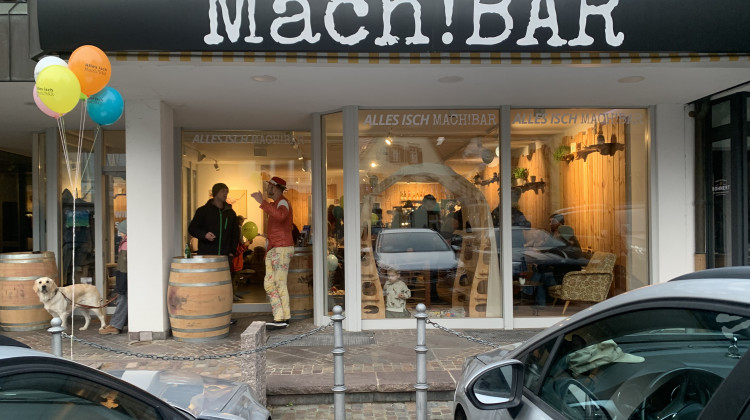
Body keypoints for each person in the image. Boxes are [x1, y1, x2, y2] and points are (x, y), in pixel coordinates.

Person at [251, 176, 294, 330]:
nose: (267, 189)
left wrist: (261, 202)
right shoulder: (278, 203)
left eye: (269, 186)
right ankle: (281, 317)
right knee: (270, 284)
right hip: (275, 248)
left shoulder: (282, 202)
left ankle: (282, 318)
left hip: (281, 248)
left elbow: (281, 216)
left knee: (278, 283)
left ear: (275, 188)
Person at [527, 213, 583, 307]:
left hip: (566, 273)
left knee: (541, 273)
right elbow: (547, 248)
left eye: (552, 222)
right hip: (558, 268)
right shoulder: (554, 235)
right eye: (549, 222)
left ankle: (531, 296)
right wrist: (537, 250)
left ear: (560, 224)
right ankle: (537, 301)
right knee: (540, 270)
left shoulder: (566, 238)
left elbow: (556, 251)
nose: (550, 224)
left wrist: (542, 253)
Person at [188, 183, 239, 258]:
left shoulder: (230, 213)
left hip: (225, 257)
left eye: (227, 192)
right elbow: (192, 229)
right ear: (216, 193)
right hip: (206, 256)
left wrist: (232, 251)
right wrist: (204, 235)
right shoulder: (203, 211)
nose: (225, 194)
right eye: (223, 191)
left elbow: (235, 233)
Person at [100, 220, 128, 335]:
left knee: (122, 300)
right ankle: (119, 323)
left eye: (121, 231)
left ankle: (115, 325)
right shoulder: (125, 243)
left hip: (124, 276)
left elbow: (124, 266)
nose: (119, 233)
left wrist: (121, 282)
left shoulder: (126, 245)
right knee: (123, 300)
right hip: (124, 276)